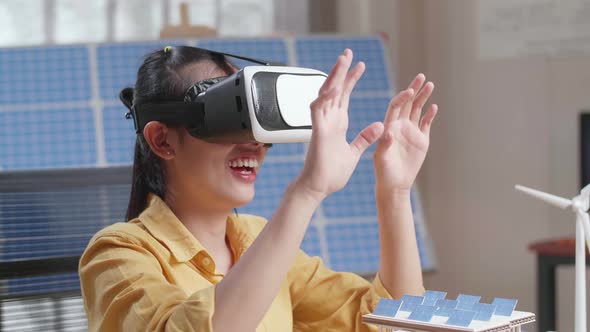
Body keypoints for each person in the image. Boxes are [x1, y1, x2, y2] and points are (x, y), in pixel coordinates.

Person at [79, 45, 438, 332]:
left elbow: (392, 326)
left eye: (261, 127)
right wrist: (305, 193)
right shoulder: (116, 254)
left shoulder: (256, 239)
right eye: (233, 122)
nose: (254, 145)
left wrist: (395, 193)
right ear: (162, 139)